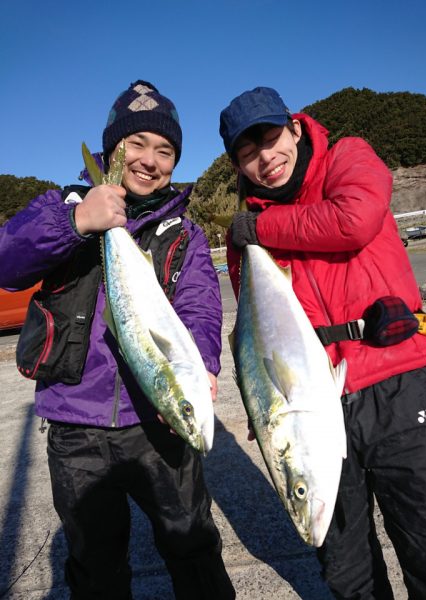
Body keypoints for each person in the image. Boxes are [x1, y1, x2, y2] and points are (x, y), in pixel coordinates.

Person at [0, 80, 235, 600]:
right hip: (75, 426)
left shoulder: (185, 233)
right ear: (110, 149)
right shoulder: (63, 205)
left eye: (165, 150)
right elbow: (7, 262)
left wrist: (203, 364)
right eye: (137, 144)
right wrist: (78, 220)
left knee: (193, 548)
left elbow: (199, 306)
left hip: (158, 421)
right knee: (96, 565)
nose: (150, 160)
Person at [219, 86, 426, 599]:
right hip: (316, 406)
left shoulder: (348, 156)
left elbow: (354, 219)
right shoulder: (244, 237)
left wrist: (259, 227)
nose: (265, 158)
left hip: (397, 384)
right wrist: (263, 403)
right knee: (346, 571)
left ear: (296, 129)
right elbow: (255, 338)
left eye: (271, 138)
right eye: (247, 152)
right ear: (238, 164)